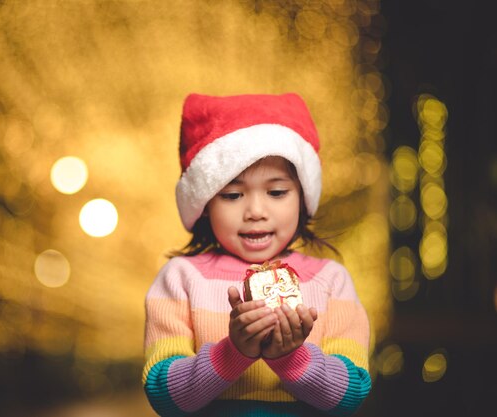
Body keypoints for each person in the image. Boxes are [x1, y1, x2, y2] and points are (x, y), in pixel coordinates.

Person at [142, 93, 371, 416]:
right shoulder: (180, 278)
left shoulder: (330, 280)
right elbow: (164, 397)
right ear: (206, 204)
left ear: (303, 196)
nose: (256, 211)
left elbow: (350, 394)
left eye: (277, 192)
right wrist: (233, 352)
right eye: (233, 194)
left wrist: (289, 356)